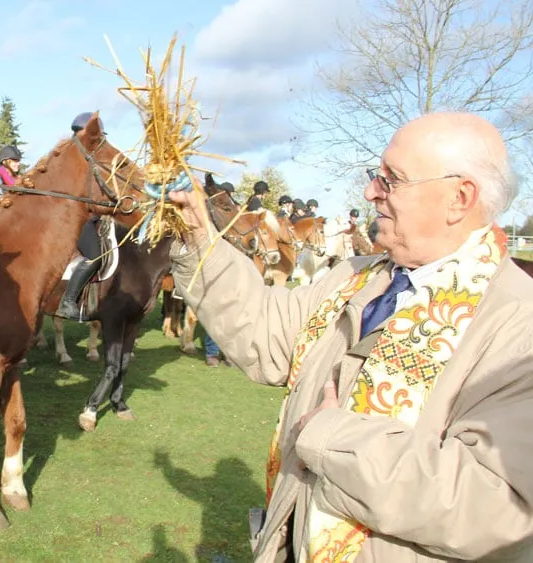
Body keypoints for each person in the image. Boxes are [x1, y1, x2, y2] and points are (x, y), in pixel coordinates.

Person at [167, 112, 533, 561]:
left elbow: (499, 508)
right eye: (375, 176)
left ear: (459, 197)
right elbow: (265, 330)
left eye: (391, 180)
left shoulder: (520, 326)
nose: (370, 191)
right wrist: (200, 238)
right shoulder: (357, 278)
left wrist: (332, 438)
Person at [56, 112, 107, 320]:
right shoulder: (71, 157)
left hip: (93, 216)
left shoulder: (89, 159)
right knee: (95, 256)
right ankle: (68, 301)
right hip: (75, 218)